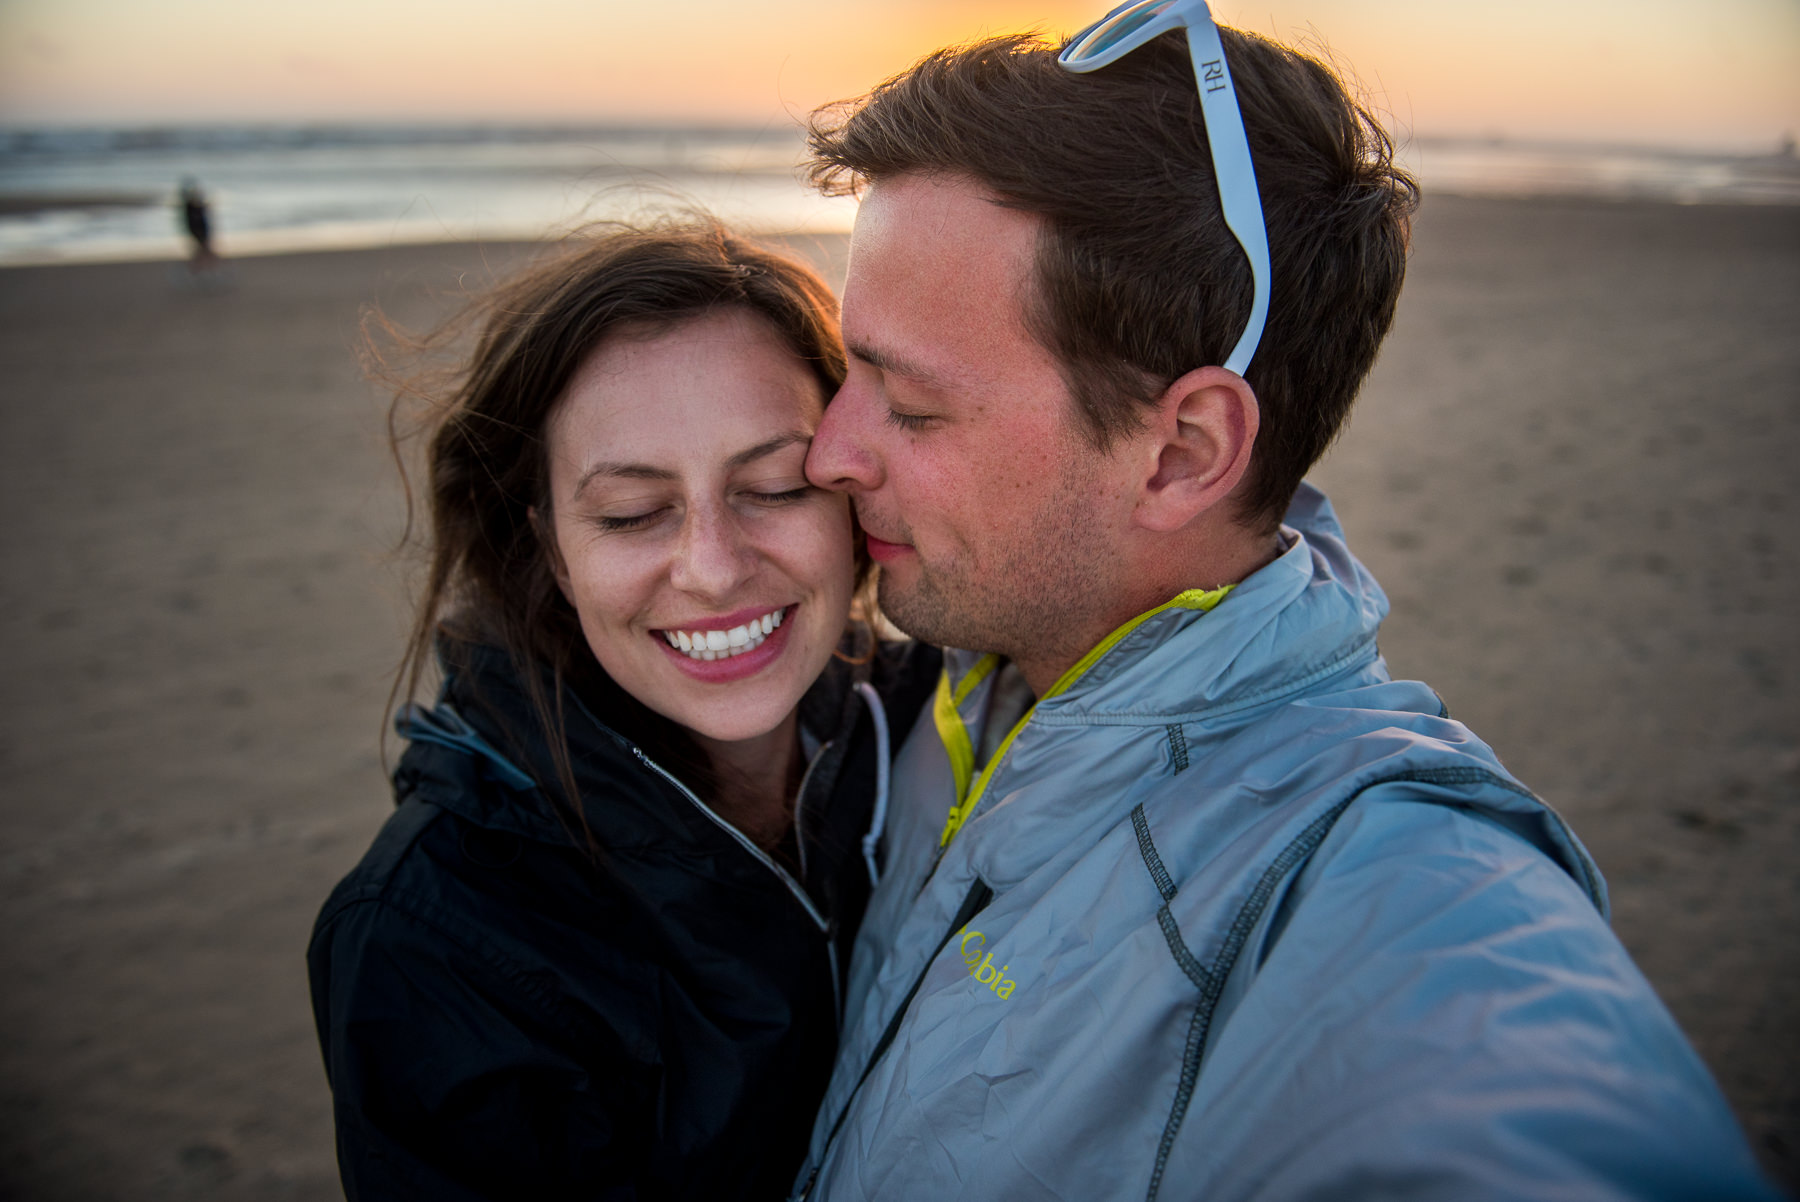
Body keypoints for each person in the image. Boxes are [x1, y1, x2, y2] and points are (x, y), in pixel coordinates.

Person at [786, 4, 1781, 1200]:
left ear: (1182, 452)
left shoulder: (1374, 869)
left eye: (912, 406)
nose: (828, 453)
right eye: (851, 370)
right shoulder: (947, 689)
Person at [307, 222, 939, 1200]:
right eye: (635, 511)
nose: (714, 566)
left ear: (851, 497)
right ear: (551, 547)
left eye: (771, 485)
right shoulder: (436, 942)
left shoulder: (956, 723)